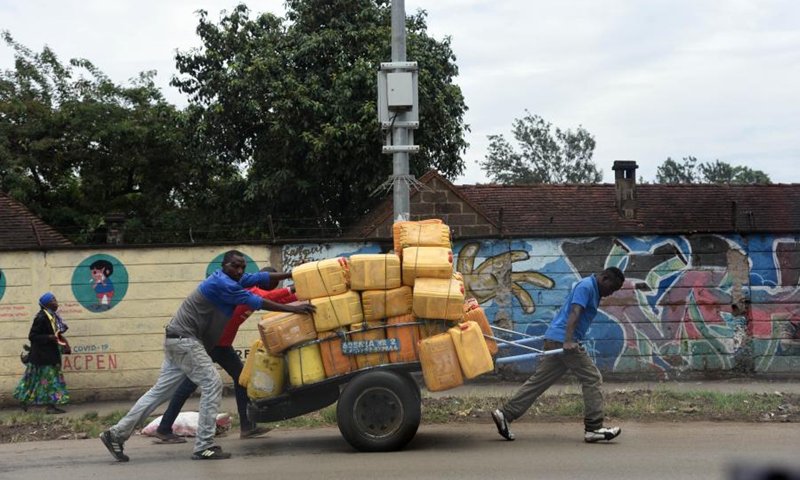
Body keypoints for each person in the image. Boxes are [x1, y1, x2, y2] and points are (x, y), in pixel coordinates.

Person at [100, 250, 315, 462]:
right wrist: (297, 310)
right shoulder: (225, 285)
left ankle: (116, 434)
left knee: (159, 392)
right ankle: (204, 446)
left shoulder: (231, 278)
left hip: (177, 339)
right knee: (212, 385)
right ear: (224, 265)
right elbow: (260, 302)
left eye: (242, 267)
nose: (240, 271)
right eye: (235, 266)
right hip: (186, 340)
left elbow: (261, 278)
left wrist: (291, 274)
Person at [153, 267, 298, 443]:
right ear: (264, 283)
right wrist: (291, 288)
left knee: (241, 378)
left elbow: (282, 298)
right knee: (188, 386)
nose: (275, 288)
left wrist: (301, 289)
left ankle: (247, 427)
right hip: (209, 344)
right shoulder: (247, 291)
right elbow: (270, 297)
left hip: (222, 344)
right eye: (274, 284)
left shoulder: (253, 292)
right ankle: (164, 428)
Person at [491, 267, 626, 444]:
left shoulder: (591, 288)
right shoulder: (586, 287)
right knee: (592, 378)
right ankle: (594, 428)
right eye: (612, 288)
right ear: (605, 278)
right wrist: (569, 341)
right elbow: (575, 312)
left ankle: (506, 414)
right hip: (564, 341)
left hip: (556, 339)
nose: (610, 293)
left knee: (540, 381)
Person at [14, 293, 71, 414]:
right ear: (47, 304)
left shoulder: (53, 316)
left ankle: (48, 406)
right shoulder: (41, 318)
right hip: (42, 356)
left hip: (49, 354)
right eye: (53, 300)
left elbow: (57, 333)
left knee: (46, 381)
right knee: (40, 380)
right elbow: (33, 336)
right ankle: (44, 405)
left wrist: (65, 344)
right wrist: (49, 337)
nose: (56, 302)